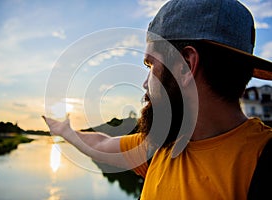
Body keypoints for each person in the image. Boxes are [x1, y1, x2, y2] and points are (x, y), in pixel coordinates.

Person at [43, 0, 272, 199]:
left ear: (185, 66)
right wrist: (65, 131)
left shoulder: (261, 162)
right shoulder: (159, 146)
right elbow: (102, 145)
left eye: (150, 65)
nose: (145, 83)